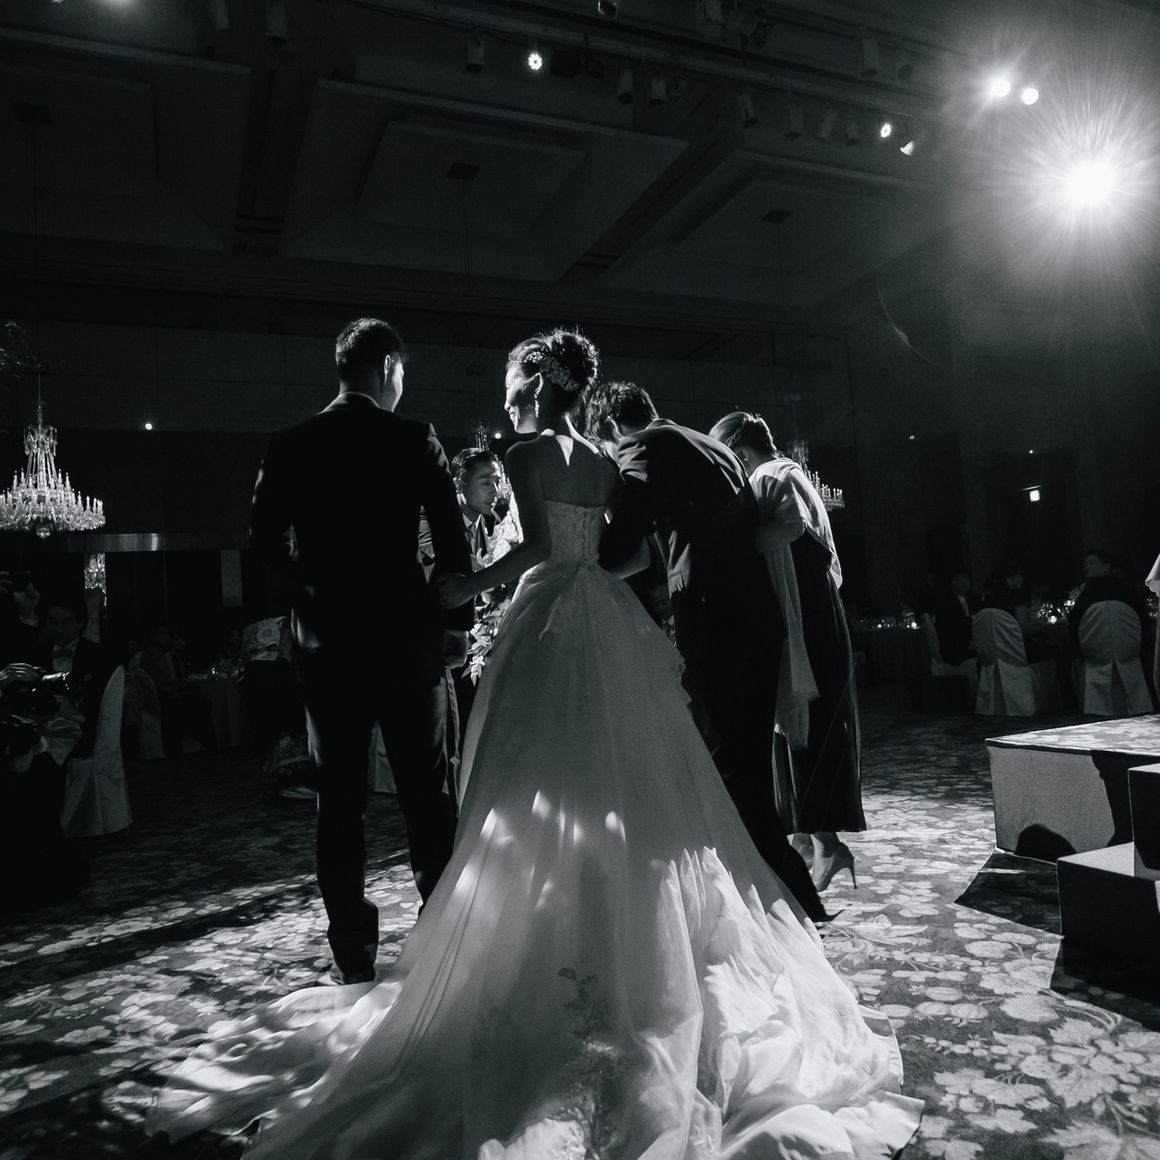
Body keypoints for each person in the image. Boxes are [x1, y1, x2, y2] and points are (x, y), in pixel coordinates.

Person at [148, 327, 922, 1158]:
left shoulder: (516, 454)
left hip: (526, 615)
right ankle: (621, 944)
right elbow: (625, 551)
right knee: (617, 783)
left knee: (515, 787)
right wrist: (553, 580)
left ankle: (474, 952)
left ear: (538, 383)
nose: (506, 396)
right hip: (605, 618)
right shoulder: (602, 459)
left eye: (514, 382)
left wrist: (471, 586)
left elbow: (538, 548)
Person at [249, 317, 473, 986]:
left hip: (328, 646)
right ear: (387, 368)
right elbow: (452, 541)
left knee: (339, 802)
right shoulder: (413, 438)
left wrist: (313, 593)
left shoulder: (291, 443)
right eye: (403, 374)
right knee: (426, 795)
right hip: (406, 637)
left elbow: (263, 547)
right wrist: (455, 624)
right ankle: (442, 940)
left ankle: (353, 953)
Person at [585, 381, 825, 921]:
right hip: (756, 619)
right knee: (747, 767)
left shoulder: (641, 445)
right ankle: (785, 894)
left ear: (611, 427)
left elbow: (625, 539)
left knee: (728, 766)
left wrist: (584, 556)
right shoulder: (713, 445)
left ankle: (778, 901)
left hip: (716, 622)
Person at [709, 411, 864, 892]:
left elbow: (792, 527)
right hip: (810, 611)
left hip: (810, 616)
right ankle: (810, 841)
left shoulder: (775, 473)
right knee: (801, 727)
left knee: (810, 725)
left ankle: (826, 844)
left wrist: (731, 551)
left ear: (741, 450)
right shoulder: (782, 474)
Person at [1068, 548, 1150, 649]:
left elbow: (1074, 623)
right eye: (1085, 564)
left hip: (1095, 652)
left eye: (1091, 563)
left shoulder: (1089, 591)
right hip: (1130, 650)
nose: (1086, 568)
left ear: (1106, 567)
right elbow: (1143, 619)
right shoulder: (1126, 588)